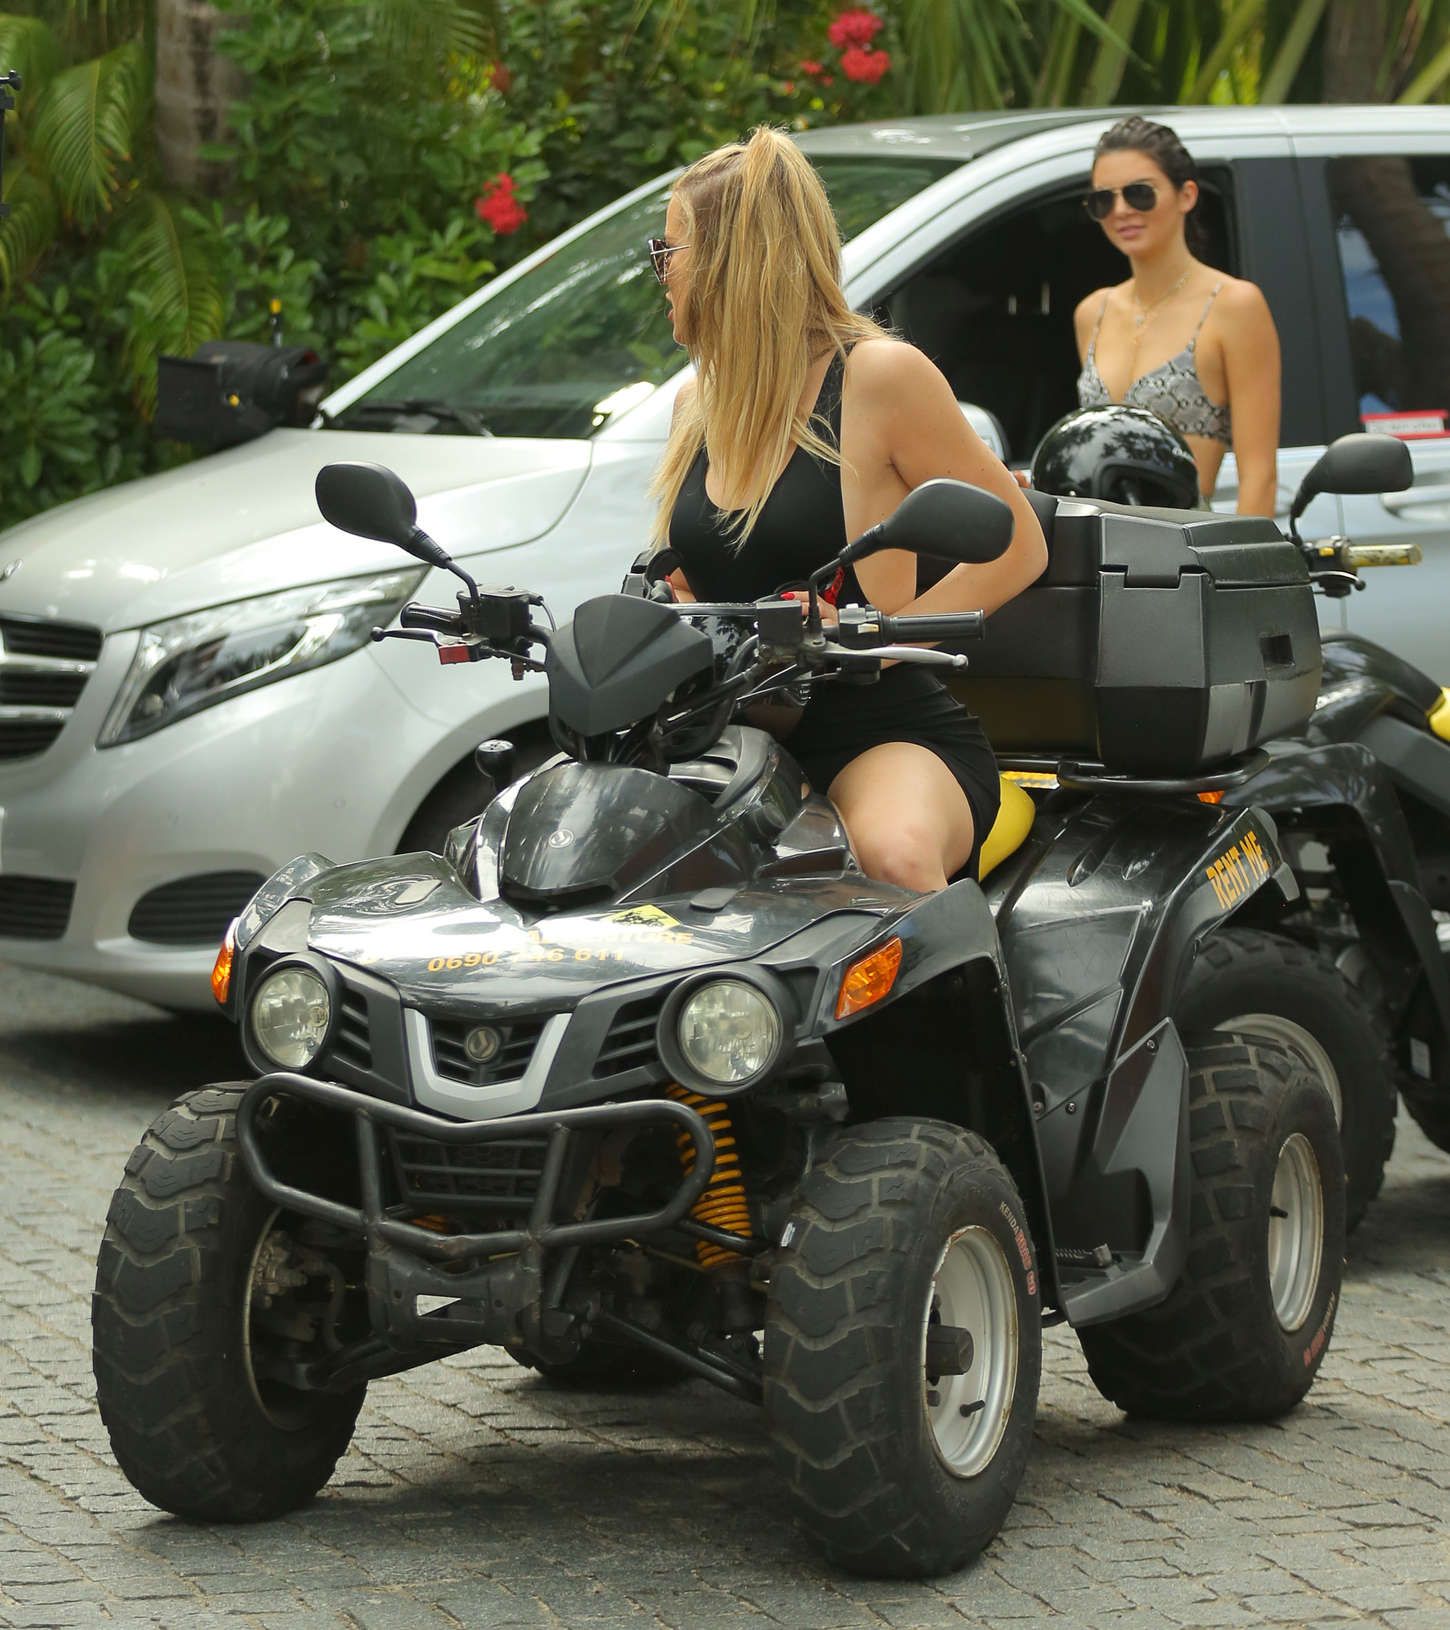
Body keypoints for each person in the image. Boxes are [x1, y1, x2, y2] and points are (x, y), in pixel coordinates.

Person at [648, 127, 1047, 893]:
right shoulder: (696, 403)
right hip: (730, 733)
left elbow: (1017, 543)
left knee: (890, 855)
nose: (661, 273)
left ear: (731, 259)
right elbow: (692, 581)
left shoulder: (879, 377)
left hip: (877, 730)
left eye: (670, 251)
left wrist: (879, 642)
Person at [1074, 115, 1281, 516]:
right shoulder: (1092, 313)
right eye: (1103, 200)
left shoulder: (1234, 305)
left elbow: (1259, 477)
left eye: (1139, 193)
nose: (1121, 210)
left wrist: (1241, 557)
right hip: (1100, 542)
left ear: (1186, 195)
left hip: (1185, 543)